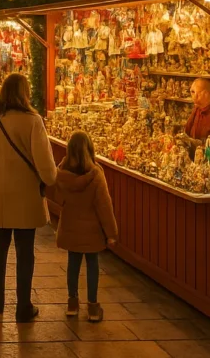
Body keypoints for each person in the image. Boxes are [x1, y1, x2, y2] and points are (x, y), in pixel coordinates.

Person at [0, 73, 58, 322]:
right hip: (25, 195)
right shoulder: (32, 121)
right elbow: (46, 166)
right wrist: (50, 179)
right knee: (25, 252)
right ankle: (23, 306)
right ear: (24, 92)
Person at [55, 132, 118, 323]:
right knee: (92, 265)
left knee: (72, 265)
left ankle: (72, 304)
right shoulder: (96, 175)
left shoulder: (62, 173)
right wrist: (111, 233)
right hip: (92, 232)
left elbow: (58, 197)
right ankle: (92, 307)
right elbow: (104, 206)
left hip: (71, 228)